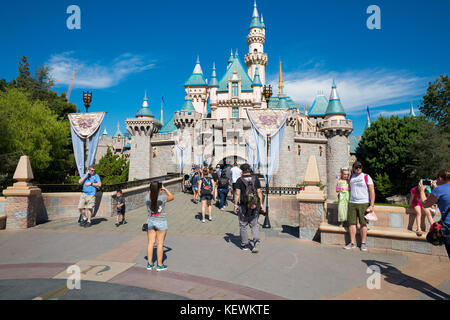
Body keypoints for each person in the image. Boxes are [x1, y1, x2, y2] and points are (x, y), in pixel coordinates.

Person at [344, 161, 375, 252]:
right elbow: (342, 180)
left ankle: (363, 243)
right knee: (351, 223)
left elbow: (372, 191)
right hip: (352, 202)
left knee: (363, 223)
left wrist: (371, 205)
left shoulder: (366, 177)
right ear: (353, 168)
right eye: (356, 167)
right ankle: (352, 243)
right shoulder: (351, 177)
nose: (358, 169)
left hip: (364, 203)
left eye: (360, 167)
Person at [419, 169, 450, 258]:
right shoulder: (439, 189)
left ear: (440, 178)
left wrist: (421, 191)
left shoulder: (439, 190)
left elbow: (425, 204)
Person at [234, 163, 264, 253]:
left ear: (242, 171)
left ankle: (245, 244)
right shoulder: (256, 179)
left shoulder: (239, 180)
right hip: (255, 205)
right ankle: (256, 241)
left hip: (243, 205)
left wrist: (235, 205)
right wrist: (261, 204)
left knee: (243, 225)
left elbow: (237, 193)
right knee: (254, 225)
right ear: (250, 170)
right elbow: (259, 192)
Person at [146, 181, 174, 271]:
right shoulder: (162, 198)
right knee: (160, 244)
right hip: (161, 222)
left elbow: (149, 193)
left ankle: (150, 264)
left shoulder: (146, 198)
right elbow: (172, 197)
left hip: (150, 222)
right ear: (159, 189)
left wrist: (152, 189)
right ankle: (159, 265)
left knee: (151, 243)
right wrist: (164, 188)